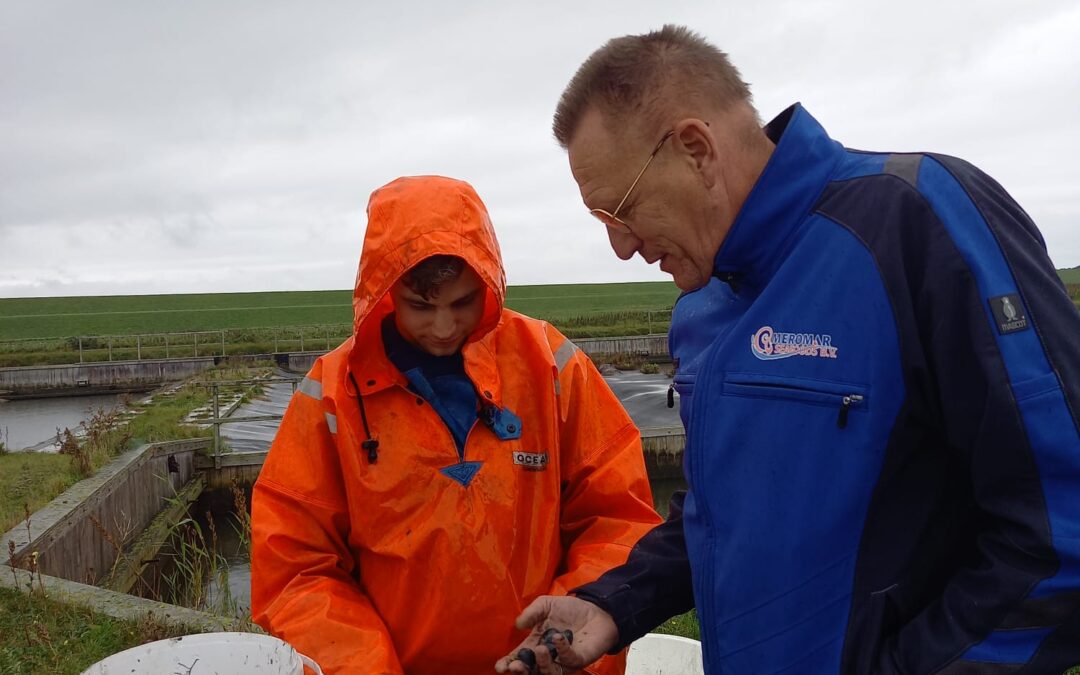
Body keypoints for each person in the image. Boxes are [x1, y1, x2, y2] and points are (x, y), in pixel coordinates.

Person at [498, 25, 1080, 674]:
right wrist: (616, 603)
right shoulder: (700, 308)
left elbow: (1062, 525)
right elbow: (719, 513)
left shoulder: (915, 222)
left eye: (622, 212)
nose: (623, 248)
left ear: (695, 149)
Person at [250, 175, 661, 674]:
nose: (443, 328)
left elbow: (618, 518)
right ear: (383, 293)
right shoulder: (331, 396)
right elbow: (295, 571)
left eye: (463, 303)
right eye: (421, 306)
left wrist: (568, 644)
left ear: (489, 285)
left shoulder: (551, 366)